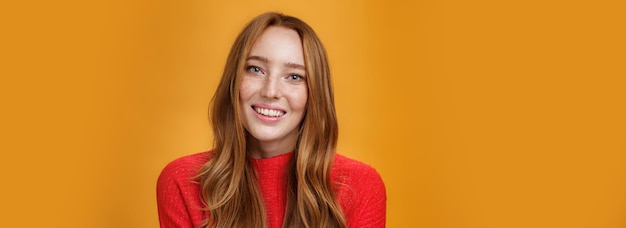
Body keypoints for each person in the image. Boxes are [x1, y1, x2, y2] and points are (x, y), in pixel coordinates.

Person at [156, 12, 386, 228]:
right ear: (234, 81)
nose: (270, 91)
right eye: (256, 69)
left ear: (314, 94)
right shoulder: (183, 181)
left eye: (294, 76)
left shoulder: (359, 186)